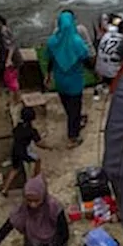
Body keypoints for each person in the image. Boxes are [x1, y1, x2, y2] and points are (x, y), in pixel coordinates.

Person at [44, 10, 90, 148]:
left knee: (67, 105)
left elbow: (50, 60)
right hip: (75, 81)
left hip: (60, 80)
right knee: (75, 107)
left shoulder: (53, 42)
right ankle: (73, 137)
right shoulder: (77, 42)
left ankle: (75, 122)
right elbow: (86, 60)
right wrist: (95, 71)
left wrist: (48, 75)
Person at [3, 107, 44, 196]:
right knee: (37, 160)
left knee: (15, 169)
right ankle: (35, 180)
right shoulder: (32, 131)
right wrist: (49, 147)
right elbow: (39, 143)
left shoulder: (18, 126)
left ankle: (5, 189)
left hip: (15, 149)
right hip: (24, 152)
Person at [0, 12, 23, 106]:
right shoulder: (3, 30)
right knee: (13, 80)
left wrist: (8, 60)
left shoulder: (3, 32)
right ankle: (15, 100)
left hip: (12, 60)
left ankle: (17, 101)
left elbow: (10, 46)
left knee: (12, 82)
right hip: (13, 59)